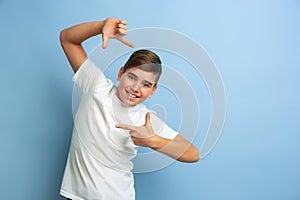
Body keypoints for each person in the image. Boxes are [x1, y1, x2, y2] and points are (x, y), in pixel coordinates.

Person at [59, 17, 199, 200]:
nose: (135, 88)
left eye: (146, 84)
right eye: (132, 77)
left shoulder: (145, 120)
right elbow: (67, 39)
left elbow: (192, 153)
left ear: (152, 91)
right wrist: (100, 26)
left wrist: (152, 140)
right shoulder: (96, 87)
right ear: (120, 73)